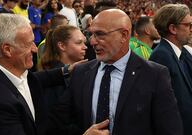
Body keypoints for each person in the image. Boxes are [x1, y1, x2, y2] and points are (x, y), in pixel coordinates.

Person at [48, 9, 183, 135]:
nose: (92, 41)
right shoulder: (81, 73)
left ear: (124, 35)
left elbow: (170, 130)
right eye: (91, 34)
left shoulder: (155, 75)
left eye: (100, 34)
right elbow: (56, 126)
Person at [0, 13, 102, 135]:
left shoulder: (4, 68)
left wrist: (65, 71)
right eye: (28, 44)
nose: (35, 48)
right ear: (7, 50)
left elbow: (34, 78)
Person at [149, 4, 192, 135]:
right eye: (188, 25)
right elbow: (162, 107)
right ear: (173, 28)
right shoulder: (161, 56)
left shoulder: (185, 52)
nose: (191, 29)